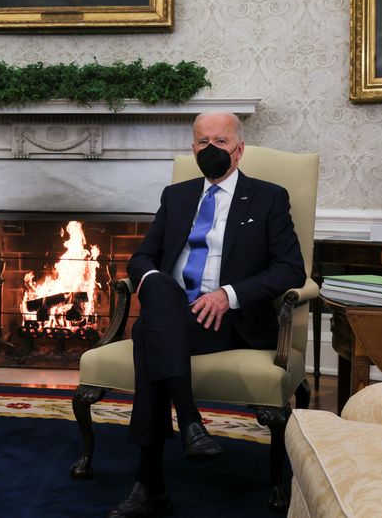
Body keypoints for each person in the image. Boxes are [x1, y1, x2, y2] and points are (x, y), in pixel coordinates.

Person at [109, 111, 306, 517]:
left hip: (229, 320)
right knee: (159, 287)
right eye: (203, 142)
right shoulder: (176, 196)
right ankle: (191, 423)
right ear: (192, 147)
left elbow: (290, 270)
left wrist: (228, 295)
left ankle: (150, 483)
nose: (211, 149)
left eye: (220, 142)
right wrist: (149, 278)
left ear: (239, 149)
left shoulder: (269, 197)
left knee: (149, 335)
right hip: (175, 311)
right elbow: (143, 257)